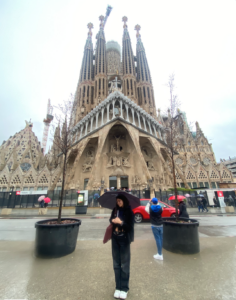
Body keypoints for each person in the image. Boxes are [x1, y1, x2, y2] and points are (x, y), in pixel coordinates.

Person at [109, 194, 134, 300]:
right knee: (116, 264)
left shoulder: (129, 211)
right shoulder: (115, 210)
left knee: (124, 264)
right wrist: (113, 220)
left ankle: (124, 288)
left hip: (124, 239)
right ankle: (118, 287)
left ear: (124, 201)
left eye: (120, 201)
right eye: (117, 201)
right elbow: (110, 219)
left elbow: (130, 227)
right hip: (115, 238)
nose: (118, 202)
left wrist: (121, 222)